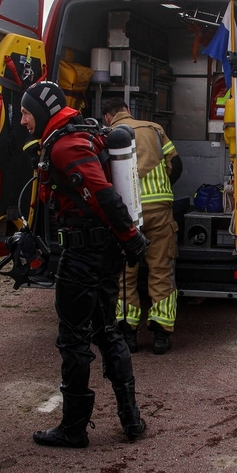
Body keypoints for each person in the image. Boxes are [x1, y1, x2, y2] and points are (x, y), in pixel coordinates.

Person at [19, 81, 149, 448]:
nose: (24, 121)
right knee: (107, 330)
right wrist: (125, 241)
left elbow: (102, 196)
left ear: (43, 111)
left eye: (27, 114)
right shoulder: (77, 134)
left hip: (84, 255)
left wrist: (132, 238)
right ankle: (131, 421)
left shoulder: (66, 144)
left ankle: (74, 428)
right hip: (102, 251)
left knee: (73, 338)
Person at [102, 98, 183, 355]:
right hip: (159, 210)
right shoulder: (154, 129)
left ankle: (128, 333)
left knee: (125, 274)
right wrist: (161, 187)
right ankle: (161, 333)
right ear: (128, 110)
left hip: (125, 214)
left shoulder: (106, 136)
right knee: (161, 268)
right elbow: (177, 165)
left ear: (108, 117)